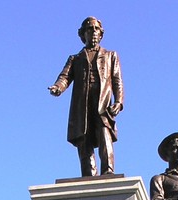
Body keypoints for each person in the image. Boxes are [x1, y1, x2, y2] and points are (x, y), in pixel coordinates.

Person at [48, 16, 123, 177]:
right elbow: (65, 77)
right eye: (90, 29)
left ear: (101, 34)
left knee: (104, 133)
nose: (93, 32)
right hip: (82, 104)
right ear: (83, 34)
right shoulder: (75, 58)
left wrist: (119, 101)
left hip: (102, 103)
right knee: (84, 138)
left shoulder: (111, 55)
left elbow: (117, 79)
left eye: (96, 29)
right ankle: (88, 175)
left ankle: (108, 170)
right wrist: (57, 88)